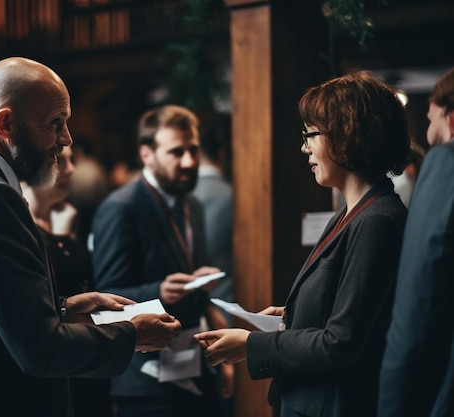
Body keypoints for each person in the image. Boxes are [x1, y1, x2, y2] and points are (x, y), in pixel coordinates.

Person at [0, 57, 181, 417]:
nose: (66, 139)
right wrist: (131, 335)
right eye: (55, 124)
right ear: (6, 123)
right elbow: (40, 351)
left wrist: (61, 309)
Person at [194, 71, 411, 417]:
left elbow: (341, 343)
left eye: (311, 134)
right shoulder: (351, 213)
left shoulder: (378, 220)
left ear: (347, 134)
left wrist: (253, 345)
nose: (304, 147)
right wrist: (292, 317)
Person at [91, 104, 234, 417]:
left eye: (193, 150)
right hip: (147, 381)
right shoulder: (120, 208)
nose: (189, 161)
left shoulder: (191, 203)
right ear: (146, 155)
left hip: (195, 367)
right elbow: (105, 296)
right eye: (176, 152)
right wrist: (159, 290)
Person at [378, 67, 454, 417]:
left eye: (431, 119)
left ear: (450, 121)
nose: (428, 132)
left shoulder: (445, 168)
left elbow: (418, 303)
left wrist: (392, 405)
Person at [21, 145, 113, 417]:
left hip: (87, 356)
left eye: (72, 161)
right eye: (60, 160)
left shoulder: (73, 216)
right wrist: (60, 240)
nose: (70, 170)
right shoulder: (24, 227)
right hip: (58, 361)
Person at [192, 118, 234, 321]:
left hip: (188, 313)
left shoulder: (180, 197)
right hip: (227, 304)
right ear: (222, 154)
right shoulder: (234, 196)